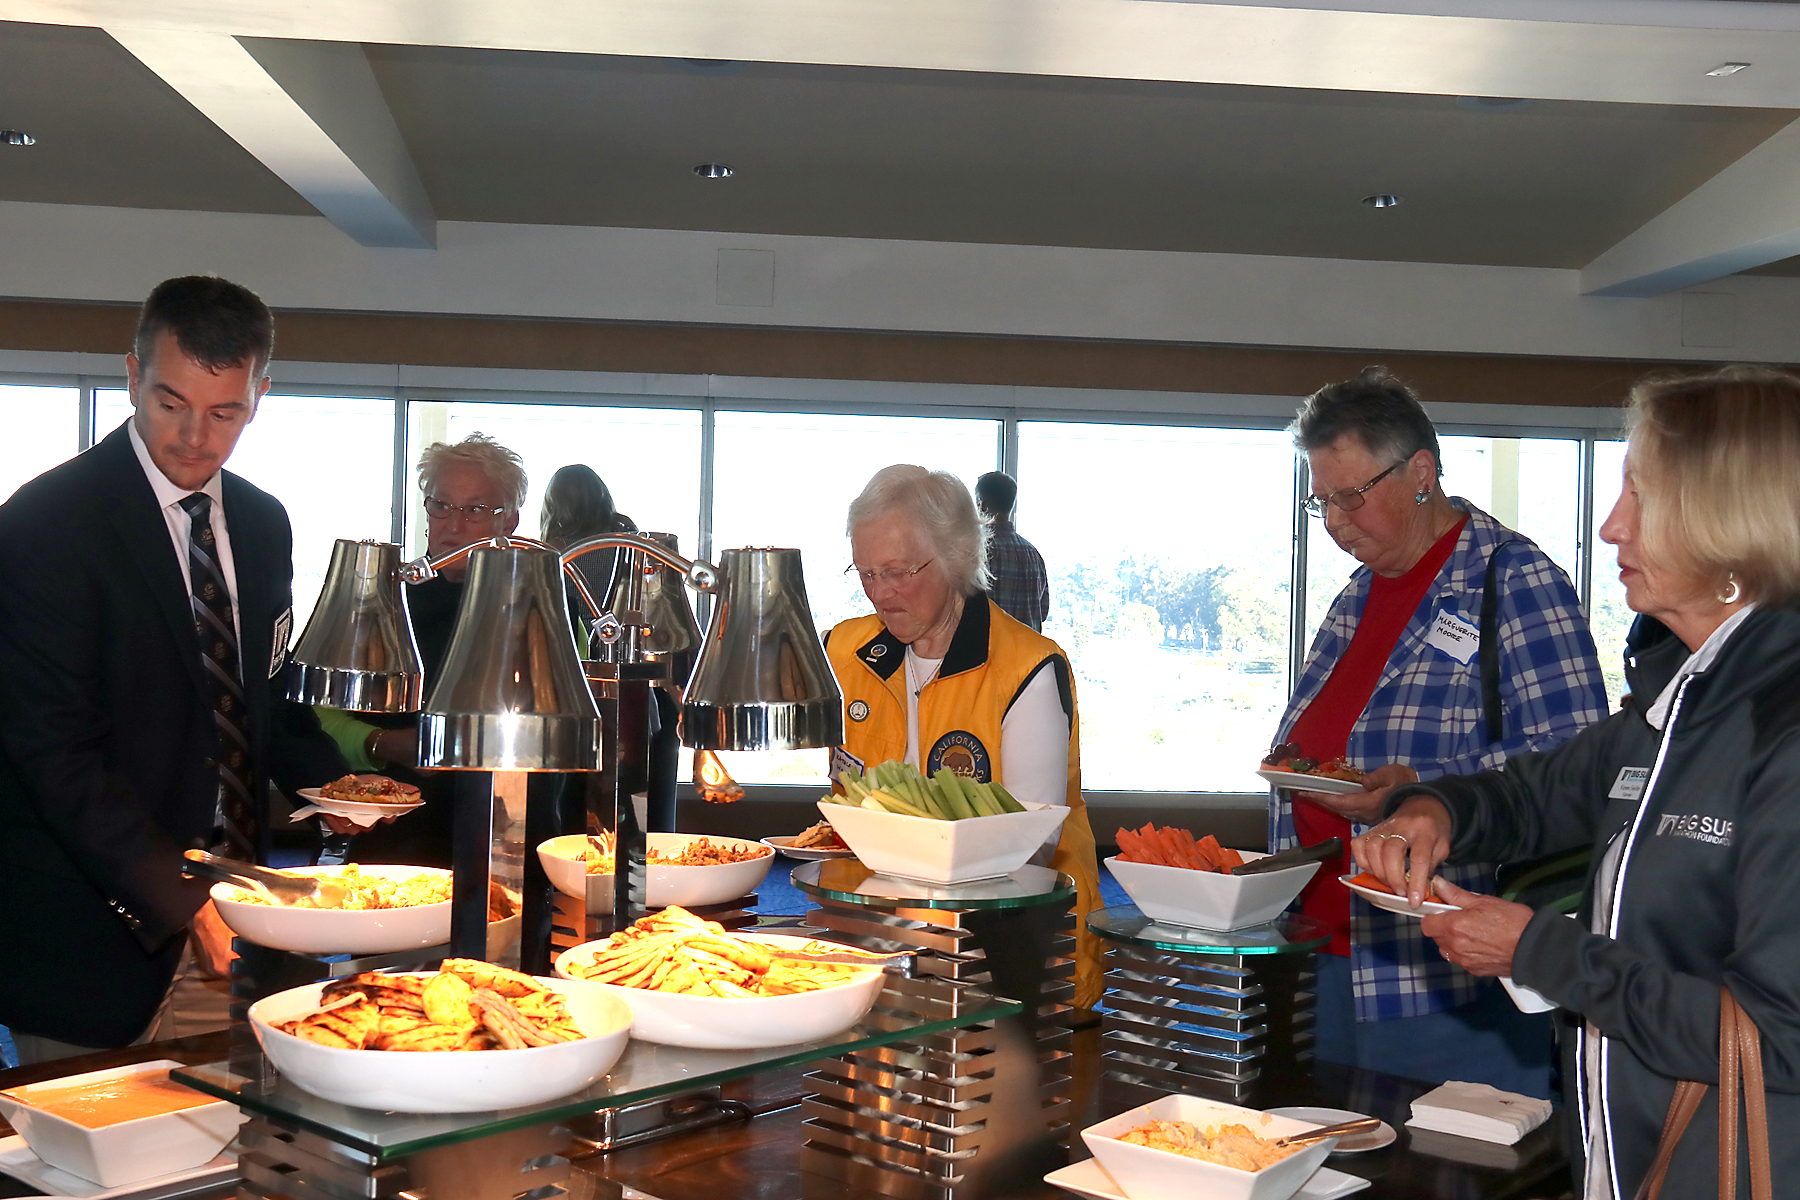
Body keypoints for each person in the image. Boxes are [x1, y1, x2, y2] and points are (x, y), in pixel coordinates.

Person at [1359, 367, 1800, 1197]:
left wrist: (1538, 951)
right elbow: (1532, 794)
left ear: (1731, 518)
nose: (1610, 526)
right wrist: (1434, 810)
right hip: (1628, 1157)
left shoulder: (1782, 730)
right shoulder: (1676, 705)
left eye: (1641, 495)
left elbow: (1780, 1038)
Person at [0, 276, 351, 1060]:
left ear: (259, 396)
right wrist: (183, 897)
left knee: (251, 1131)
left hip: (250, 920)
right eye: (171, 403)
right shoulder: (44, 524)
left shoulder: (262, 522)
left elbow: (264, 690)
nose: (195, 436)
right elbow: (52, 752)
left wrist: (333, 788)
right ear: (133, 377)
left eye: (224, 412)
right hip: (95, 939)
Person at [1270, 368, 1607, 1096]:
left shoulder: (1512, 578)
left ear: (1421, 474)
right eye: (1321, 501)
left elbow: (1578, 759)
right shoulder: (1358, 593)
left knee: (1445, 1155)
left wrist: (1421, 789)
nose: (1334, 521)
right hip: (1331, 946)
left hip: (1446, 967)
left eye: (1351, 496)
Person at [823, 465, 1103, 1007]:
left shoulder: (1026, 667)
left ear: (956, 555)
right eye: (866, 573)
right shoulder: (845, 650)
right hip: (884, 938)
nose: (880, 593)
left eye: (898, 571)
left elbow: (1033, 844)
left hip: (1014, 951)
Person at [314, 434, 527, 866]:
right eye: (442, 506)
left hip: (517, 836)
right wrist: (386, 743)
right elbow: (317, 716)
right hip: (398, 837)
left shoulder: (543, 606)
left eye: (475, 510)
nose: (454, 525)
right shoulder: (383, 599)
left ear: (509, 522)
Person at [540, 463, 637, 607]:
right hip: (622, 621)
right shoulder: (626, 544)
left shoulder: (556, 551)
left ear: (554, 504)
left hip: (574, 622)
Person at [974, 471, 1050, 631]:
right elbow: (1042, 612)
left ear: (981, 504)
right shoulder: (1033, 554)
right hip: (1029, 646)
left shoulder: (977, 552)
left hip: (990, 646)